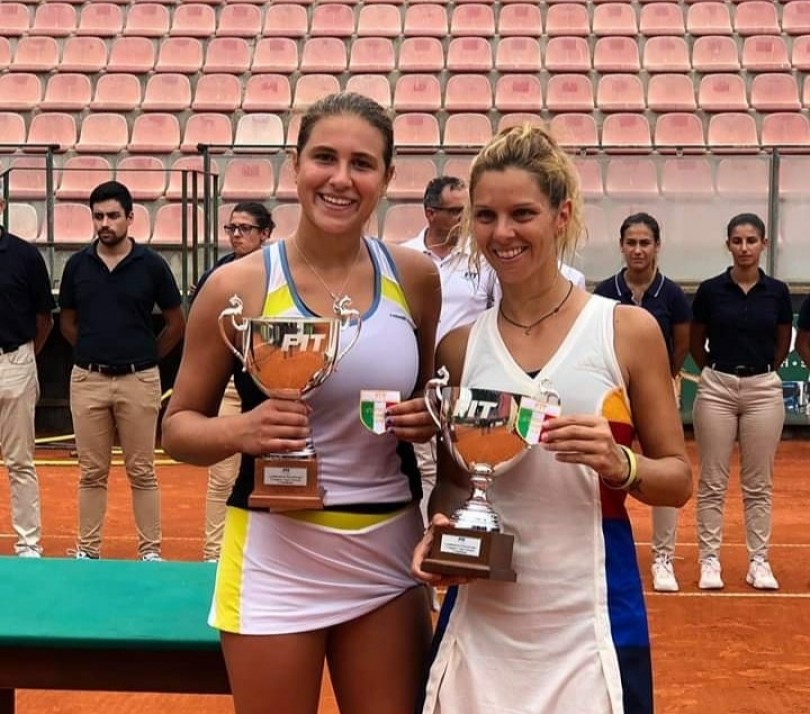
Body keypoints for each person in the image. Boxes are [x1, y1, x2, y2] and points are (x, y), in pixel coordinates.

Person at [161, 93, 439, 714]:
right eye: (324, 158)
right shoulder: (237, 285)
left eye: (362, 164)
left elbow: (429, 402)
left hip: (387, 552)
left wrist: (429, 417)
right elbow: (177, 429)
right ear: (296, 165)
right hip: (275, 553)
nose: (341, 179)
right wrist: (244, 431)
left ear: (387, 177)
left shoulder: (416, 277)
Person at [411, 124, 692, 714]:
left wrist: (622, 463)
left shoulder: (626, 331)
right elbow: (456, 482)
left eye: (522, 213)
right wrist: (441, 524)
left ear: (561, 216)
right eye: (485, 216)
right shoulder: (459, 348)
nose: (502, 233)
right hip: (481, 617)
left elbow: (677, 477)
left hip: (589, 614)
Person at [59, 181, 185, 561]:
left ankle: (150, 552)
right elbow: (67, 322)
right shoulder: (77, 265)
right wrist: (90, 351)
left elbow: (177, 323)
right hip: (88, 380)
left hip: (139, 379)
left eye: (113, 215)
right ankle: (87, 549)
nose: (105, 223)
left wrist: (147, 357)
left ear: (130, 218)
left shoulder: (152, 266)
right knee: (91, 472)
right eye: (98, 216)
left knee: (142, 470)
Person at [689, 213, 791, 591]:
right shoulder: (710, 290)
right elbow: (696, 342)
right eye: (737, 240)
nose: (744, 248)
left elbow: (782, 341)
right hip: (717, 385)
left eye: (751, 240)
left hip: (764, 388)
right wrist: (717, 372)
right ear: (728, 244)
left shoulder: (777, 292)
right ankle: (709, 561)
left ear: (764, 244)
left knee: (758, 484)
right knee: (713, 481)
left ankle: (758, 562)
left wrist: (762, 372)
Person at [594, 212, 692, 593]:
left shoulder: (671, 295)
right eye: (631, 243)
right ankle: (599, 541)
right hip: (612, 396)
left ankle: (663, 557)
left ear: (657, 247)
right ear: (622, 246)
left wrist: (659, 382)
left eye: (645, 243)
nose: (638, 250)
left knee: (662, 468)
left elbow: (681, 344)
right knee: (607, 468)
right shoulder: (604, 291)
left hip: (656, 393)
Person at [195, 202, 275, 562]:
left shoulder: (279, 277)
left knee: (275, 472)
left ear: (265, 234)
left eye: (245, 228)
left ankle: (264, 553)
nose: (237, 235)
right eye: (231, 228)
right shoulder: (217, 277)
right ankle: (215, 555)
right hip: (228, 381)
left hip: (270, 386)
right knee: (221, 474)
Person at [0, 188, 56, 557]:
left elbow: (44, 318)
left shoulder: (24, 255)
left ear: (1, 206)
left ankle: (28, 544)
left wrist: (23, 356)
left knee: (20, 460)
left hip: (14, 360)